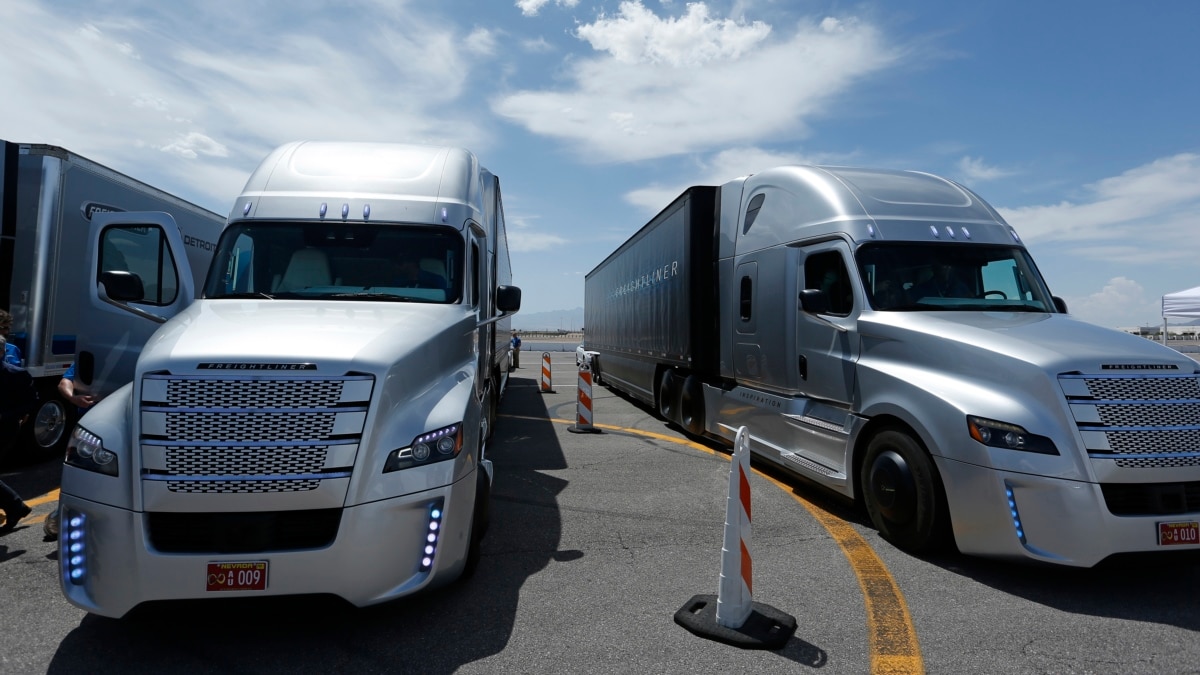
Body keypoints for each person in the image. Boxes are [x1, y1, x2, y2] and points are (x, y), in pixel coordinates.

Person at [44, 361, 97, 539]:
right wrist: (73, 398)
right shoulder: (91, 359)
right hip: (90, 429)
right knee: (80, 473)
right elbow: (64, 382)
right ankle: (60, 517)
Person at [0, 337, 37, 533]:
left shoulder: (17, 375)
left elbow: (30, 402)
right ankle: (16, 506)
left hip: (4, 429)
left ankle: (15, 506)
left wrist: (4, 416)